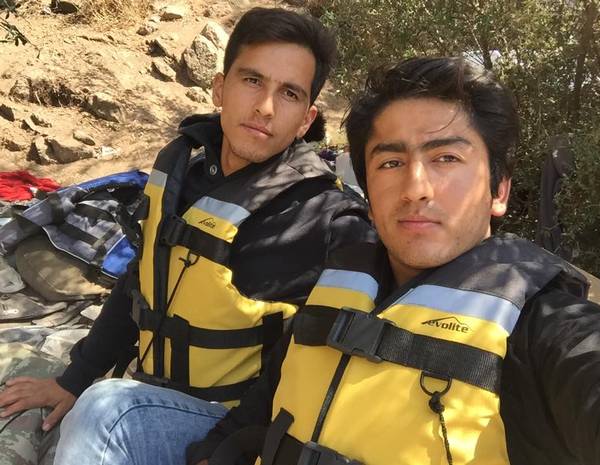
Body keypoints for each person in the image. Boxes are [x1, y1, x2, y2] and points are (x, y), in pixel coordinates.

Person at [189, 57, 600, 465]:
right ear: (368, 196)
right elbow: (255, 414)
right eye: (391, 162)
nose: (415, 188)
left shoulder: (544, 324)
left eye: (446, 158)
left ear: (499, 190)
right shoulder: (336, 284)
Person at [0, 7, 375, 465]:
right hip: (153, 393)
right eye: (252, 80)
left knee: (107, 411)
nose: (265, 107)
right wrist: (74, 378)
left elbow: (331, 369)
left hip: (236, 428)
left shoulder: (329, 218)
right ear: (220, 88)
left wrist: (226, 449)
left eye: (289, 93)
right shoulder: (184, 173)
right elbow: (141, 281)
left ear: (305, 119)